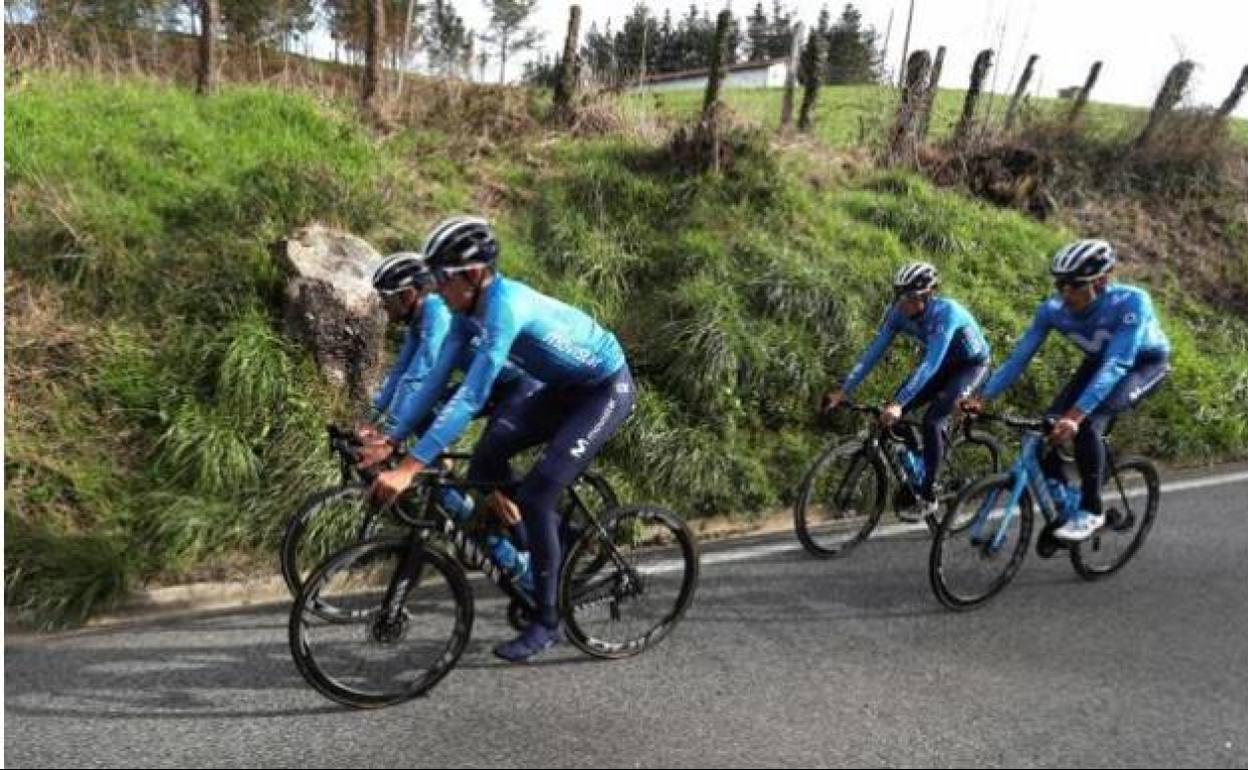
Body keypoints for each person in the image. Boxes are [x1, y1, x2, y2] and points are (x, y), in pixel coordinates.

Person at [371, 216, 636, 663]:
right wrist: (392, 437)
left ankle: (548, 622)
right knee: (485, 463)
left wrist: (411, 467)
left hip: (603, 390)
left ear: (472, 275)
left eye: (441, 278)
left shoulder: (505, 307)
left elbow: (472, 395)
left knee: (537, 494)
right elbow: (434, 383)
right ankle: (555, 540)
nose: (434, 289)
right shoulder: (462, 315)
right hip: (560, 391)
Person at [962, 239, 1171, 542]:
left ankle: (1092, 509)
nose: (1065, 293)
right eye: (1060, 284)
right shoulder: (1052, 311)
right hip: (1098, 363)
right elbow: (1017, 360)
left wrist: (1074, 416)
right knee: (1048, 424)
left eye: (1074, 285)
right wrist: (982, 397)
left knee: (1087, 425)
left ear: (1100, 281)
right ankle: (1065, 499)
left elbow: (1117, 365)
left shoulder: (1131, 302)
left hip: (1142, 365)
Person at [823, 262, 991, 520]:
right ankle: (921, 466)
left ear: (928, 295)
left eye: (911, 297)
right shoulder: (898, 313)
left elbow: (930, 364)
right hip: (944, 364)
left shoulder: (947, 313)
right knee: (893, 412)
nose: (904, 303)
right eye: (900, 296)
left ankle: (929, 493)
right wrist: (845, 390)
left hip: (970, 365)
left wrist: (900, 404)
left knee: (933, 420)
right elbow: (873, 353)